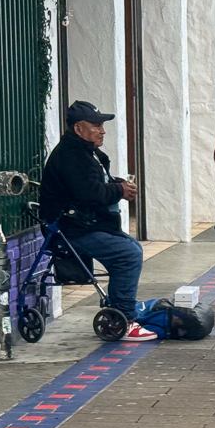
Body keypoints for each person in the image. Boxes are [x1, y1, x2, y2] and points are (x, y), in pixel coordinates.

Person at [38, 101, 156, 342]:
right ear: (79, 129)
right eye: (96, 125)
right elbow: (88, 193)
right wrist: (118, 190)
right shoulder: (71, 155)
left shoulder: (86, 151)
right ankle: (123, 318)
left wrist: (118, 185)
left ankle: (119, 309)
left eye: (102, 125)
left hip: (87, 223)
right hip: (71, 229)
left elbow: (93, 186)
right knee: (127, 255)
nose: (102, 130)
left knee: (132, 248)